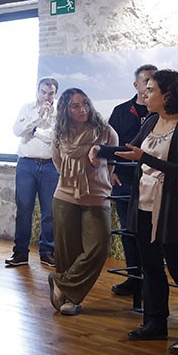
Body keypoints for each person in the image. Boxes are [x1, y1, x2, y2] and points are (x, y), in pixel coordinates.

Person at [97, 69, 178, 355]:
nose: (145, 94)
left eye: (151, 89)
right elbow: (131, 150)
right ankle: (155, 323)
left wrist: (144, 158)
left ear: (167, 94)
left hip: (170, 208)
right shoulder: (151, 122)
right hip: (143, 204)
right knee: (151, 268)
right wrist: (100, 151)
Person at [46, 89, 119, 316]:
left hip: (97, 197)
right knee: (67, 251)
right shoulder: (60, 134)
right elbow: (58, 162)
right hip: (65, 196)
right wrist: (73, 181)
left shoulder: (105, 131)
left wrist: (94, 178)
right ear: (66, 110)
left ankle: (61, 282)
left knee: (99, 247)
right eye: (75, 106)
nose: (82, 109)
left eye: (85, 104)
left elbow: (112, 161)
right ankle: (70, 299)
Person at [106, 64, 158, 295]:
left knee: (149, 232)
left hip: (152, 181)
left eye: (153, 82)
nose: (148, 86)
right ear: (135, 84)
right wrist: (112, 170)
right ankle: (133, 277)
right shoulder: (120, 111)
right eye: (145, 81)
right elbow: (110, 143)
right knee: (128, 231)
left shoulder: (160, 114)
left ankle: (151, 280)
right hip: (124, 180)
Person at [6, 78, 59, 267]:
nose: (47, 96)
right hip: (26, 164)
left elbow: (54, 138)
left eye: (50, 93)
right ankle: (20, 253)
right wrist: (37, 118)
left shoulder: (60, 111)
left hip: (50, 166)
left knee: (49, 212)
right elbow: (17, 131)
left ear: (55, 94)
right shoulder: (27, 108)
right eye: (43, 92)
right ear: (37, 91)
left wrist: (34, 130)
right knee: (24, 209)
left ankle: (47, 252)